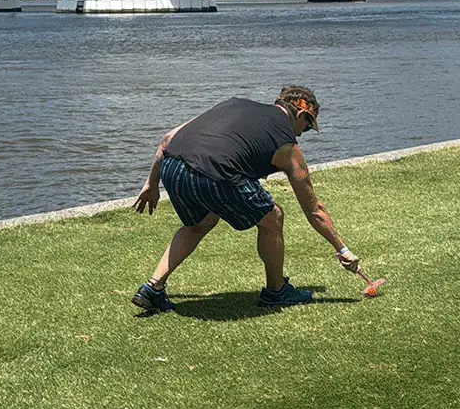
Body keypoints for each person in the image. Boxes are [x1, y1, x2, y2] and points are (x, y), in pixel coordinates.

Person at [131, 86, 361, 313]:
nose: (302, 133)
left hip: (173, 167)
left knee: (199, 223)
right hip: (215, 174)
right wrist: (342, 250)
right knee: (273, 217)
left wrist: (151, 184)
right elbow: (314, 210)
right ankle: (276, 291)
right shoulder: (287, 146)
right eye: (307, 126)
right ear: (300, 114)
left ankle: (152, 288)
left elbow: (168, 139)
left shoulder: (235, 103)